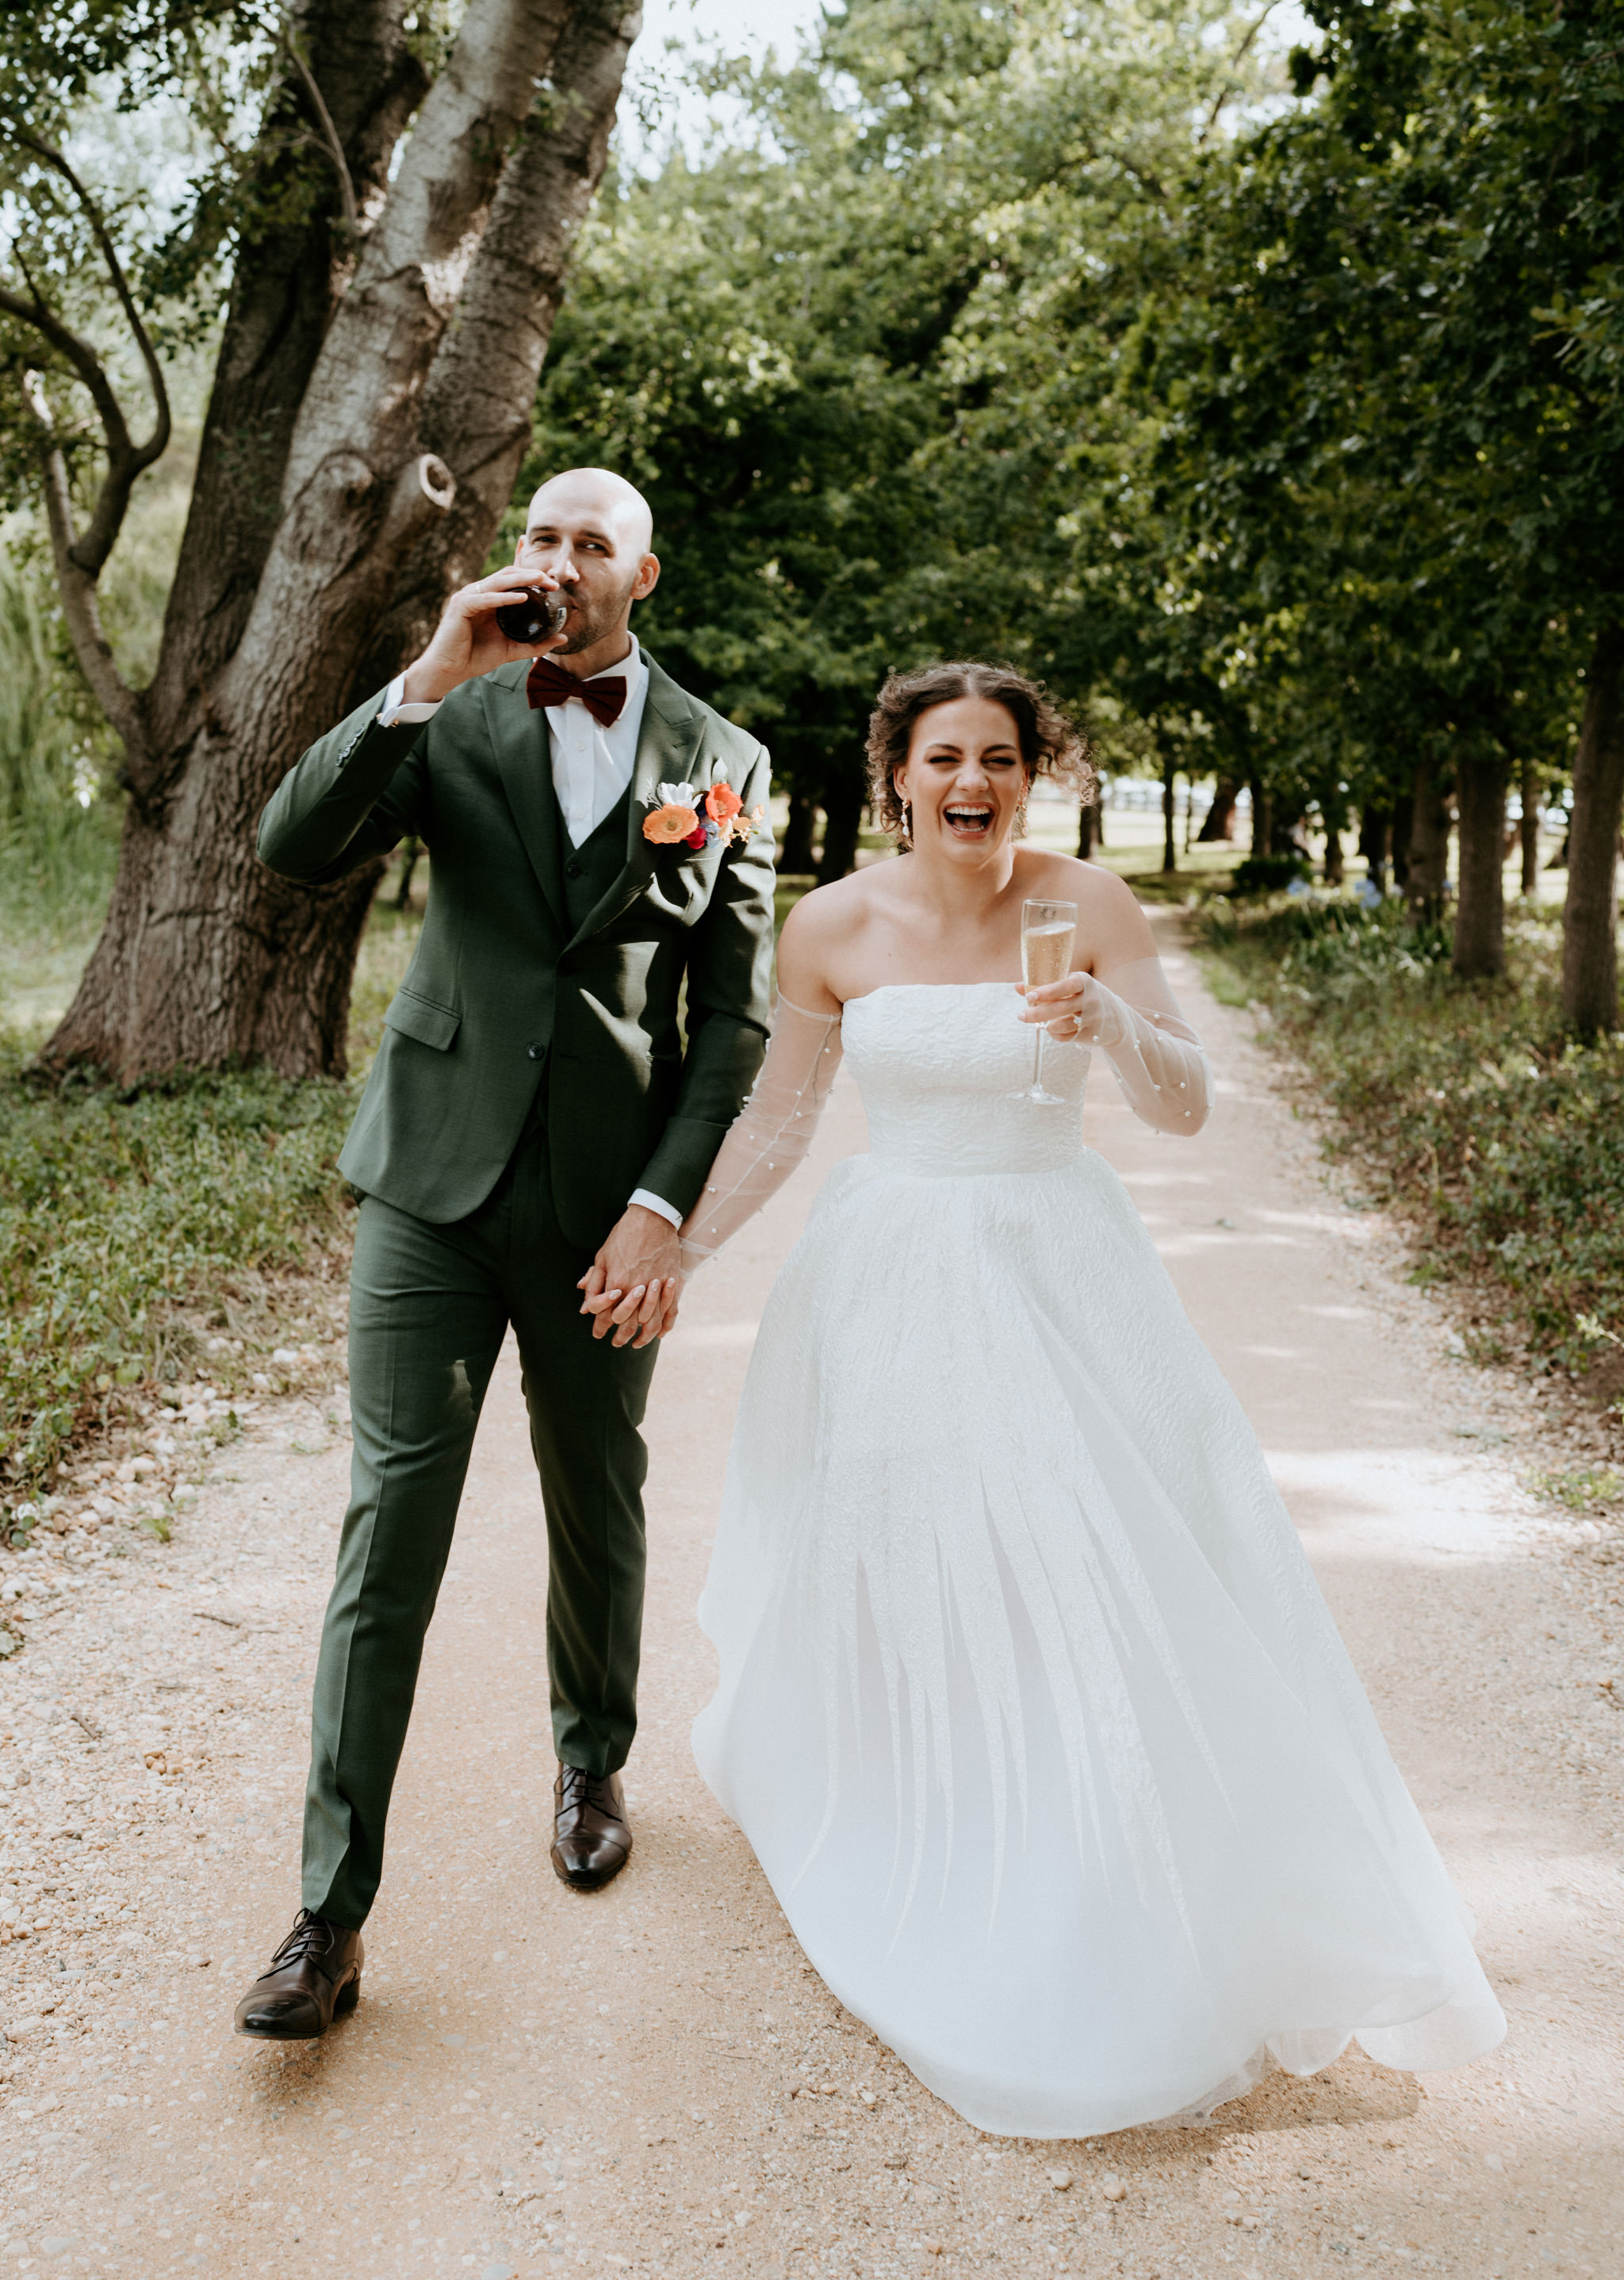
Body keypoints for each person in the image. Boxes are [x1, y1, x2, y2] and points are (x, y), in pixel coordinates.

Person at [678, 661, 1504, 2137]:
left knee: (1110, 1544)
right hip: (889, 1269)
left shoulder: (1090, 902)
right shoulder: (831, 926)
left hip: (1059, 1256)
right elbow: (780, 1119)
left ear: (1031, 774)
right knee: (923, 1540)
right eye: (944, 757)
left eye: (1000, 757)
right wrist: (676, 1246)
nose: (972, 781)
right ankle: (935, 1781)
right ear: (899, 777)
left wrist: (1104, 1025)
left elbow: (1186, 1103)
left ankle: (1101, 1836)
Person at [233, 469, 775, 2040]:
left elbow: (732, 1021)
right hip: (431, 1191)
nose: (558, 561)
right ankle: (328, 1918)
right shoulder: (451, 710)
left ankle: (591, 1759)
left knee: (596, 1497)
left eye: (591, 543)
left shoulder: (723, 762)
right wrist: (429, 670)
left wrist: (663, 1210)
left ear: (641, 575)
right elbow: (291, 842)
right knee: (389, 1528)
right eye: (541, 536)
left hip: (607, 1212)